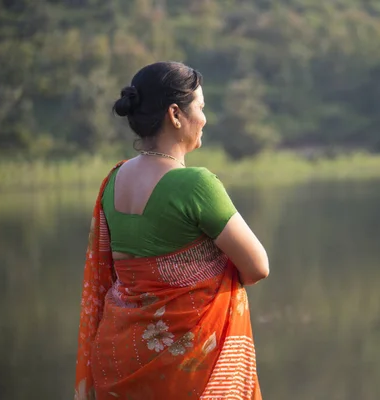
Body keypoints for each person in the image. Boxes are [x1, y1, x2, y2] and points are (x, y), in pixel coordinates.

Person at [74, 61, 269, 400]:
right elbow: (257, 267)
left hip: (118, 357)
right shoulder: (195, 184)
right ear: (176, 114)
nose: (205, 119)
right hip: (185, 371)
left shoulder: (113, 180)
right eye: (202, 107)